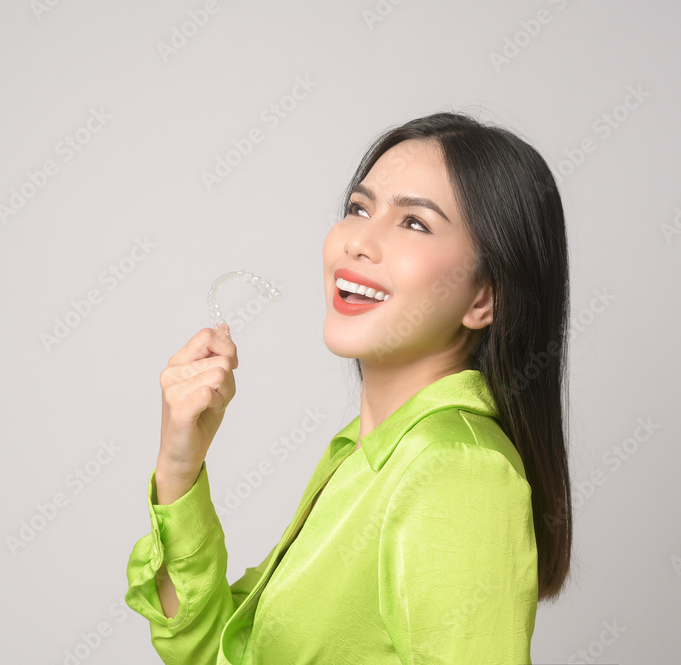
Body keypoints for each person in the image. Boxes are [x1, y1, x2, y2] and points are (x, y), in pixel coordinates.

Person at [125, 110, 573, 664]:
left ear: (484, 298)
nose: (358, 240)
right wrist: (178, 467)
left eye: (414, 222)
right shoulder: (359, 455)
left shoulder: (455, 467)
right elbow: (211, 652)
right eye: (359, 208)